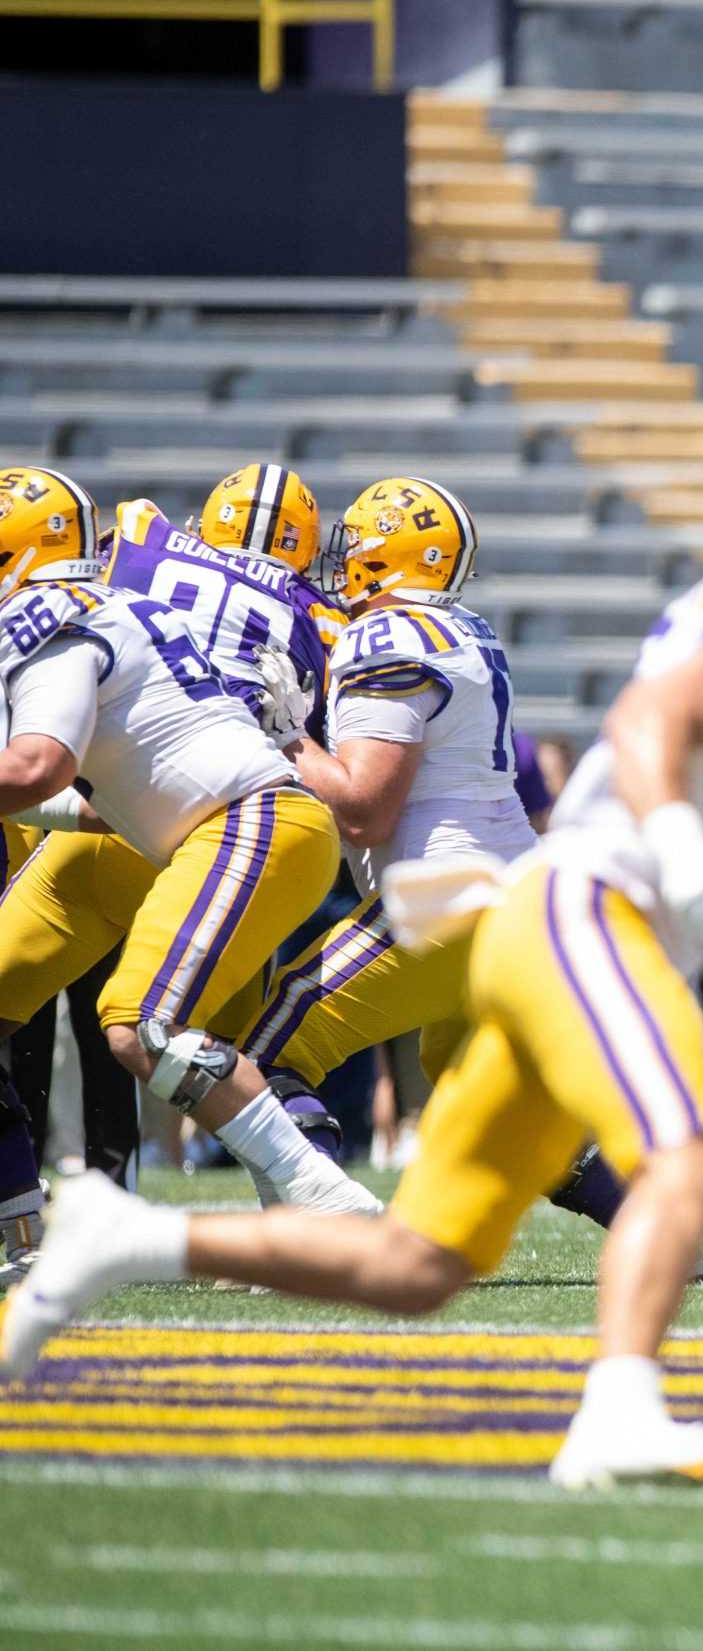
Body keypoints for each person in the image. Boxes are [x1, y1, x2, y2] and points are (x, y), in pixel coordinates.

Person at [8, 407, 703, 1490]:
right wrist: (702, 881)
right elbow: (647, 727)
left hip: (539, 901)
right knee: (686, 1151)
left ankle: (122, 1241)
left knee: (416, 1263)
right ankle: (621, 1411)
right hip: (574, 903)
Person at [0, 467, 364, 1235]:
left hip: (234, 819)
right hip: (176, 820)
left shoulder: (128, 549)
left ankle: (331, 1205)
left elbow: (42, 762)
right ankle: (19, 1226)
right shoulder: (324, 619)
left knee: (146, 1025)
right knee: (226, 1046)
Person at [194, 477, 539, 1210]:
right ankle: (643, 1211)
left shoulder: (386, 636)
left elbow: (362, 811)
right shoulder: (464, 627)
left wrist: (287, 737)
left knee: (262, 1057)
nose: (342, 558)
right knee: (489, 1083)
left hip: (446, 891)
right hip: (518, 888)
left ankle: (317, 1221)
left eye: (356, 544)